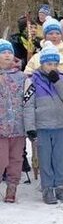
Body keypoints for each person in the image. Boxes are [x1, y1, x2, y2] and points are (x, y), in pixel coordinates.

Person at [25, 18, 63, 190]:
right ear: (45, 35)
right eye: (50, 33)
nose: (54, 36)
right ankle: (47, 178)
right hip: (42, 105)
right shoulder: (37, 56)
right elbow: (28, 74)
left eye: (57, 32)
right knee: (45, 146)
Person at [23, 43, 63, 204]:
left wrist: (57, 82)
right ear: (41, 63)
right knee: (45, 158)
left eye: (55, 64)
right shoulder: (32, 81)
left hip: (60, 124)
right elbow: (28, 106)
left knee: (59, 157)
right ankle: (47, 188)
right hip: (42, 125)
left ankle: (59, 187)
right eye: (48, 64)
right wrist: (30, 128)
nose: (52, 67)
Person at [0, 39, 27, 203]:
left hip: (18, 125)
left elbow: (29, 99)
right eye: (3, 52)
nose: (7, 55)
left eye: (10, 52)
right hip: (1, 127)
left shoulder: (22, 76)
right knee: (1, 159)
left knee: (16, 159)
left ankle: (12, 187)